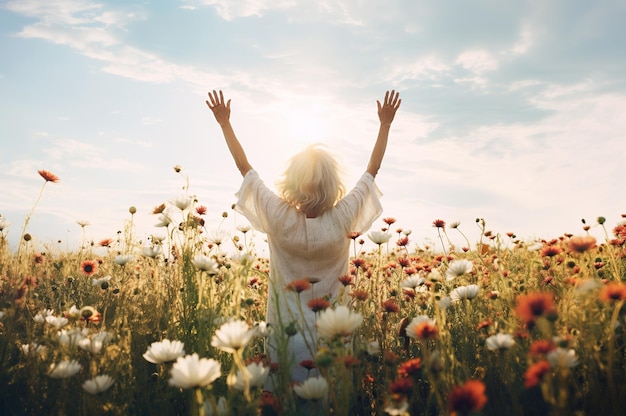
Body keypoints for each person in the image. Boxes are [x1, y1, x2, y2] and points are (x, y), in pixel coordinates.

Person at [206, 89, 401, 388]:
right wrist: (385, 125)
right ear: (332, 183)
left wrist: (224, 124)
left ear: (293, 181)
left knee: (286, 401)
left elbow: (245, 168)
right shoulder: (343, 216)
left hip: (287, 338)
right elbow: (371, 171)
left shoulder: (278, 214)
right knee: (331, 401)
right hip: (332, 339)